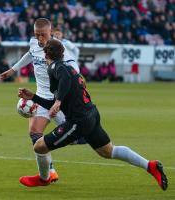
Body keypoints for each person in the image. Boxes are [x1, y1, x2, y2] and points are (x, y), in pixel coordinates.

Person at [18, 39, 168, 191]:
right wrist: (34, 98)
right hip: (91, 114)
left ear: (46, 54)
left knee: (39, 146)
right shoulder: (68, 68)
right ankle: (150, 166)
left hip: (78, 121)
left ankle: (44, 178)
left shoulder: (56, 67)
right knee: (108, 151)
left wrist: (58, 101)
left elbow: (64, 80)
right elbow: (60, 96)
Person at [0, 18, 83, 183]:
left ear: (50, 32)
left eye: (43, 35)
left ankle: (85, 138)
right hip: (40, 97)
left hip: (59, 100)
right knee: (35, 134)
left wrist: (70, 83)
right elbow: (29, 56)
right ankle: (49, 172)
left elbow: (75, 69)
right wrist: (12, 70)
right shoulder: (34, 44)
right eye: (37, 34)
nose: (39, 39)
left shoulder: (60, 49)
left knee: (75, 136)